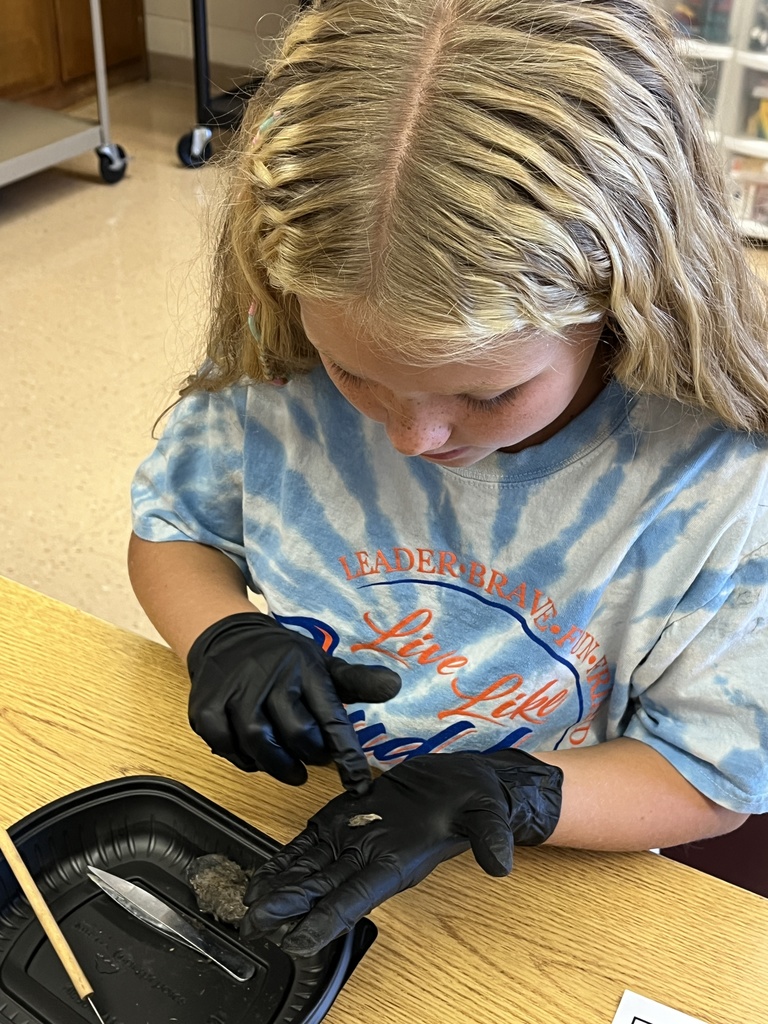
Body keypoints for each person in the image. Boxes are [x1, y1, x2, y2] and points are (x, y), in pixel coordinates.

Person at [129, 0, 768, 958]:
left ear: (626, 298)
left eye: (487, 393)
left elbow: (707, 777)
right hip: (276, 809)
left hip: (538, 884)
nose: (414, 436)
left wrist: (512, 787)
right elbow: (174, 529)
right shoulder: (284, 365)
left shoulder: (715, 481)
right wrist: (221, 633)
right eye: (356, 378)